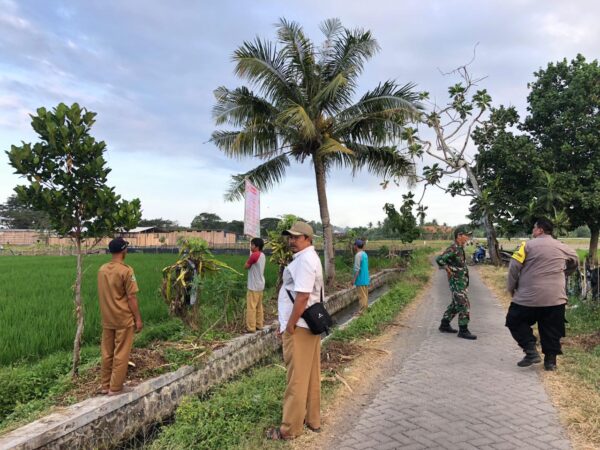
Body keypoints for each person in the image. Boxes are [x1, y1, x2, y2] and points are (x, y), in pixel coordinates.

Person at [267, 221, 324, 440]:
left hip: (299, 327)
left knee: (296, 379)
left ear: (308, 239)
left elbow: (301, 296)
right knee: (310, 375)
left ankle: (289, 429)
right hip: (308, 325)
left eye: (296, 237)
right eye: (290, 237)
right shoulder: (309, 258)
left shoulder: (304, 261)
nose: (291, 241)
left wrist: (289, 324)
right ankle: (312, 419)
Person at [506, 218, 578, 371]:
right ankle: (550, 362)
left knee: (514, 320)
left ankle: (531, 350)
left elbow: (514, 267)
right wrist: (565, 274)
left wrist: (512, 287)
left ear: (540, 230)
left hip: (528, 297)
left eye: (534, 228)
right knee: (552, 328)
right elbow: (575, 260)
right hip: (555, 297)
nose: (532, 231)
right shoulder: (562, 246)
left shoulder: (526, 245)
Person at [97, 237, 143, 395]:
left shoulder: (102, 269)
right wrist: (138, 319)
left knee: (107, 352)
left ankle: (105, 385)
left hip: (107, 318)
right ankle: (115, 388)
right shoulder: (126, 271)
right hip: (123, 318)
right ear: (124, 250)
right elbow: (131, 297)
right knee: (121, 353)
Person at [436, 226, 477, 340]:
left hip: (461, 281)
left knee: (456, 304)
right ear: (459, 235)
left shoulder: (460, 248)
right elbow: (439, 259)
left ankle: (444, 324)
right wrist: (447, 269)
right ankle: (463, 330)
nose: (468, 237)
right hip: (456, 281)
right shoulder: (453, 248)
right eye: (466, 235)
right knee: (464, 304)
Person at [244, 237, 266, 333]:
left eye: (252, 244)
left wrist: (250, 258)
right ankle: (259, 325)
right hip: (260, 284)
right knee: (259, 306)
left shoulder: (254, 255)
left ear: (256, 246)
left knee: (251, 307)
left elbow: (246, 266)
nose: (250, 246)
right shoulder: (262, 255)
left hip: (253, 285)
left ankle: (251, 327)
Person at [352, 239, 370, 314]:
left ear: (356, 246)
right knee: (365, 295)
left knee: (361, 296)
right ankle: (365, 310)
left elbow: (357, 269)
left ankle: (362, 312)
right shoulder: (365, 254)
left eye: (354, 245)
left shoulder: (358, 255)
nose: (353, 247)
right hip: (365, 278)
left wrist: (353, 280)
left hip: (360, 279)